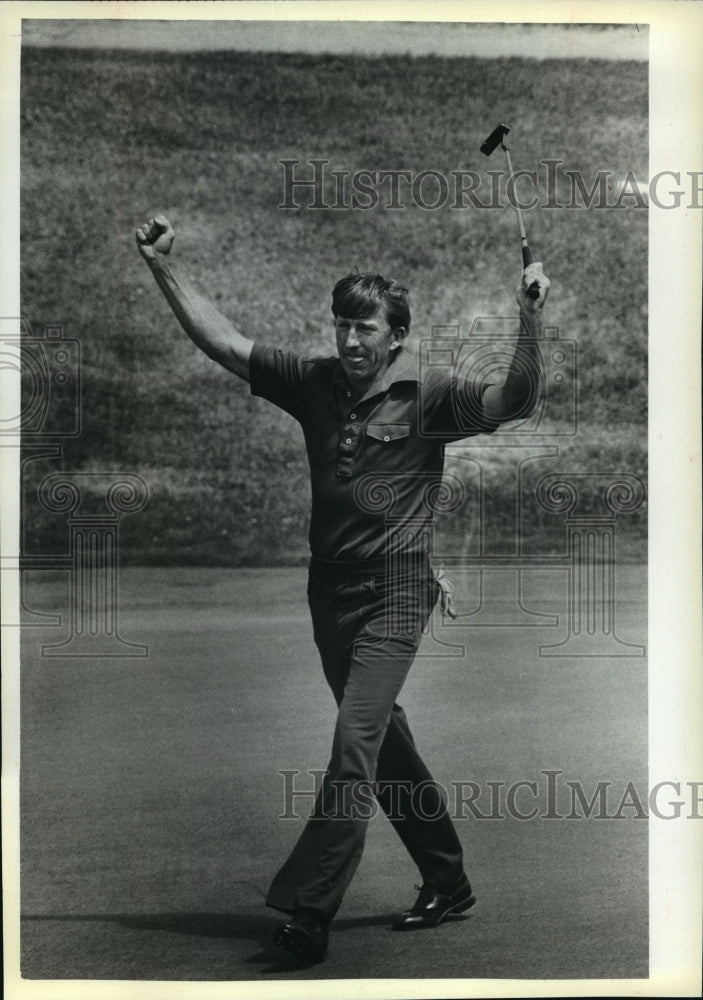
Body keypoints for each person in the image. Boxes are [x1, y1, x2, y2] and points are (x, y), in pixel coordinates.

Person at [135, 214, 550, 964]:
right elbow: (224, 342)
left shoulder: (430, 396)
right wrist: (163, 266)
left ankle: (309, 913)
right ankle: (447, 879)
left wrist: (528, 319)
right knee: (382, 741)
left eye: (363, 329)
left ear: (395, 336)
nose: (349, 341)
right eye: (340, 326)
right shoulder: (313, 383)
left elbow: (514, 402)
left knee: (352, 744)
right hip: (327, 594)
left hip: (395, 592)